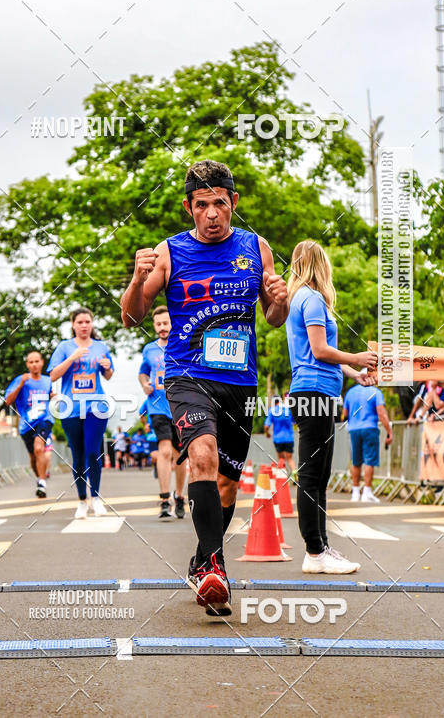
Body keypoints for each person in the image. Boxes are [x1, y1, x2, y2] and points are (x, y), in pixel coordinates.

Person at [121, 159, 289, 616]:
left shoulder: (256, 246)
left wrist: (279, 301)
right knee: (202, 456)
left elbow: (273, 318)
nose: (211, 214)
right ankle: (216, 568)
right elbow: (132, 317)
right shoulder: (170, 251)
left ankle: (201, 561)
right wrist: (136, 280)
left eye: (219, 203)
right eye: (201, 205)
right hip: (187, 375)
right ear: (188, 207)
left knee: (228, 484)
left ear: (233, 202)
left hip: (240, 380)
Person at [286, 240, 377, 575]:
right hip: (314, 392)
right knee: (312, 476)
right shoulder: (311, 299)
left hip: (316, 390)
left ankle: (321, 547)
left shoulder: (299, 298)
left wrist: (354, 373)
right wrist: (357, 357)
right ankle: (314, 551)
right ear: (320, 264)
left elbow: (319, 354)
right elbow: (320, 350)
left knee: (319, 475)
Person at [48, 307, 114, 518]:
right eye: (80, 322)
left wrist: (107, 367)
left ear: (92, 324)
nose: (84, 325)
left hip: (96, 407)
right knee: (77, 456)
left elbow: (108, 375)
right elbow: (53, 375)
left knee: (93, 452)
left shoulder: (101, 346)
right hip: (71, 408)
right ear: (73, 325)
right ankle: (82, 500)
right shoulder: (64, 347)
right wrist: (72, 358)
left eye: (87, 322)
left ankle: (96, 498)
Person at [138, 305, 187, 519]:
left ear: (172, 322)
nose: (162, 327)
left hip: (180, 407)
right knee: (164, 451)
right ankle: (165, 499)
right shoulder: (149, 349)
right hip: (157, 406)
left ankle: (180, 496)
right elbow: (142, 373)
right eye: (158, 324)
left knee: (180, 456)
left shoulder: (183, 343)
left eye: (165, 323)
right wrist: (144, 384)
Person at [5, 351, 53, 499]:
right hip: (26, 424)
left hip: (44, 419)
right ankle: (40, 478)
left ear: (42, 362)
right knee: (33, 457)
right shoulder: (20, 380)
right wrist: (20, 385)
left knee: (39, 448)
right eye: (31, 362)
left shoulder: (48, 381)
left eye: (36, 361)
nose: (34, 365)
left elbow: (51, 396)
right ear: (27, 364)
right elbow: (8, 401)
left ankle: (42, 483)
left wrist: (53, 397)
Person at [342, 376, 392, 503]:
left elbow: (345, 413)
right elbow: (381, 413)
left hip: (354, 429)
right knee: (370, 460)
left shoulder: (350, 392)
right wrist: (389, 431)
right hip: (369, 428)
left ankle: (355, 493)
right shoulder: (375, 392)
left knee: (356, 461)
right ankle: (367, 492)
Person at [264, 391, 296, 476]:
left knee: (281, 459)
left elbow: (266, 426)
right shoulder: (287, 410)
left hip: (278, 439)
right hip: (289, 438)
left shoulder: (272, 411)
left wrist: (267, 433)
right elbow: (294, 422)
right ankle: (294, 472)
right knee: (290, 459)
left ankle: (283, 477)